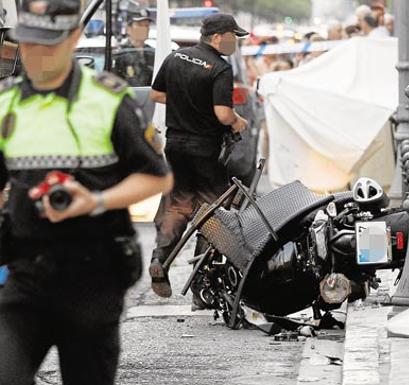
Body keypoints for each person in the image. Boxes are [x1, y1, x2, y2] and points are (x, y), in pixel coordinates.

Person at [0, 0, 173, 382]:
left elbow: (157, 178)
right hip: (26, 276)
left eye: (49, 44)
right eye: (28, 43)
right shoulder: (6, 104)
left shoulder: (108, 100)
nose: (36, 55)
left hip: (93, 279)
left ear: (75, 37)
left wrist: (96, 200)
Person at [149, 13, 248, 299]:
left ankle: (159, 259)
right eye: (233, 36)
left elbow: (157, 95)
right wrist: (237, 121)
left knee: (177, 205)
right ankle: (202, 282)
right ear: (218, 37)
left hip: (176, 145)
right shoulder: (220, 67)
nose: (235, 42)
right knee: (212, 211)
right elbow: (222, 114)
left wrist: (184, 100)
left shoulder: (176, 57)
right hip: (204, 148)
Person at [112, 8, 155, 87]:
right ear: (129, 29)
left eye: (147, 25)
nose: (144, 29)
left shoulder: (152, 52)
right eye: (140, 25)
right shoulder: (120, 54)